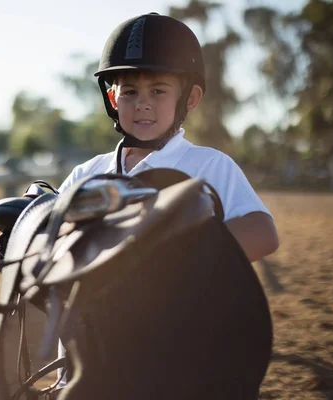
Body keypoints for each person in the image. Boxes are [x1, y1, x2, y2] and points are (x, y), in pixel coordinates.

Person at [55, 11, 279, 391]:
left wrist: (169, 256)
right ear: (113, 98)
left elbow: (262, 231)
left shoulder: (208, 165)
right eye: (130, 92)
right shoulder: (87, 174)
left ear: (189, 98)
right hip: (90, 349)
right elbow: (54, 240)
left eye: (158, 90)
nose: (143, 104)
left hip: (183, 346)